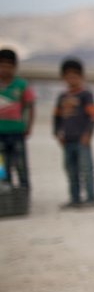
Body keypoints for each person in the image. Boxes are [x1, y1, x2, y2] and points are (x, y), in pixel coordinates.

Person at [53, 57, 94, 208]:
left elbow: (93, 116)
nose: (72, 79)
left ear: (81, 77)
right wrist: (57, 133)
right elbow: (57, 117)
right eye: (68, 76)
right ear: (63, 78)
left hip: (81, 139)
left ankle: (91, 198)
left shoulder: (86, 95)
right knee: (71, 171)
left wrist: (88, 135)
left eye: (75, 76)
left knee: (86, 169)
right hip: (67, 139)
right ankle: (75, 198)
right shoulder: (62, 97)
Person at [0, 47, 35, 190]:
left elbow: (30, 107)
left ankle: (24, 192)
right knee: (3, 167)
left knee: (21, 165)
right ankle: (6, 195)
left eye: (9, 66)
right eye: (2, 65)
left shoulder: (21, 85)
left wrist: (28, 126)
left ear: (14, 67)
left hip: (16, 132)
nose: (5, 69)